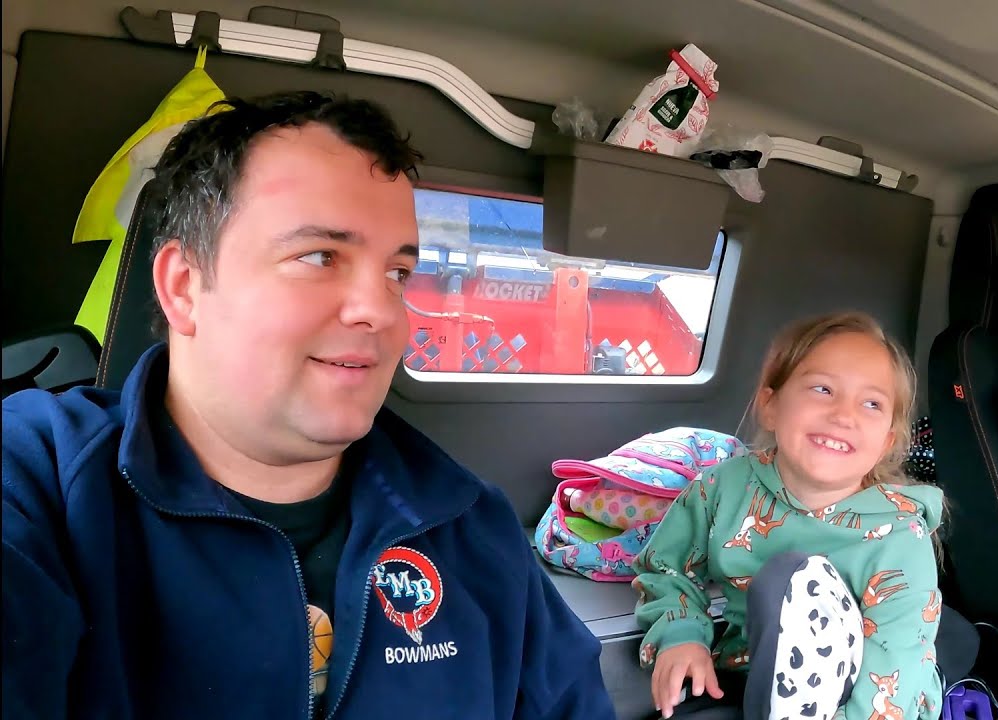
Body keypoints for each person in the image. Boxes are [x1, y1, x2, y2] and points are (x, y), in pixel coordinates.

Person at [2, 91, 615, 720]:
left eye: (397, 275)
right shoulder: (37, 482)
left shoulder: (469, 524)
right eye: (320, 257)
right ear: (184, 287)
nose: (381, 311)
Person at [633, 311, 945, 720]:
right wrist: (682, 635)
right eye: (823, 389)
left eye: (871, 403)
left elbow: (895, 667)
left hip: (863, 696)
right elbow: (665, 568)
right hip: (747, 671)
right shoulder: (725, 487)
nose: (844, 415)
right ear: (771, 405)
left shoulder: (901, 537)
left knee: (794, 576)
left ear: (887, 442)